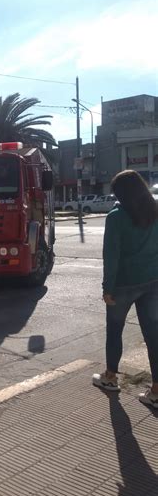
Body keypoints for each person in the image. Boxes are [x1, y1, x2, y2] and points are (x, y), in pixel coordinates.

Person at [93, 170, 158, 409]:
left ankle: (110, 378)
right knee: (154, 336)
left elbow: (111, 256)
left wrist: (107, 288)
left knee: (115, 331)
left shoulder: (116, 217)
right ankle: (156, 391)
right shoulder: (155, 210)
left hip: (124, 284)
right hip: (153, 281)